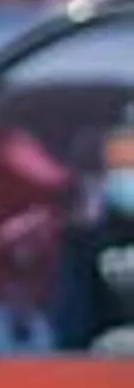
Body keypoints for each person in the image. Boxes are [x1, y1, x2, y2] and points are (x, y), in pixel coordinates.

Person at [52, 121, 134, 352]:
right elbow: (72, 326)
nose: (128, 176)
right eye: (119, 168)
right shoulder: (83, 244)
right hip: (104, 361)